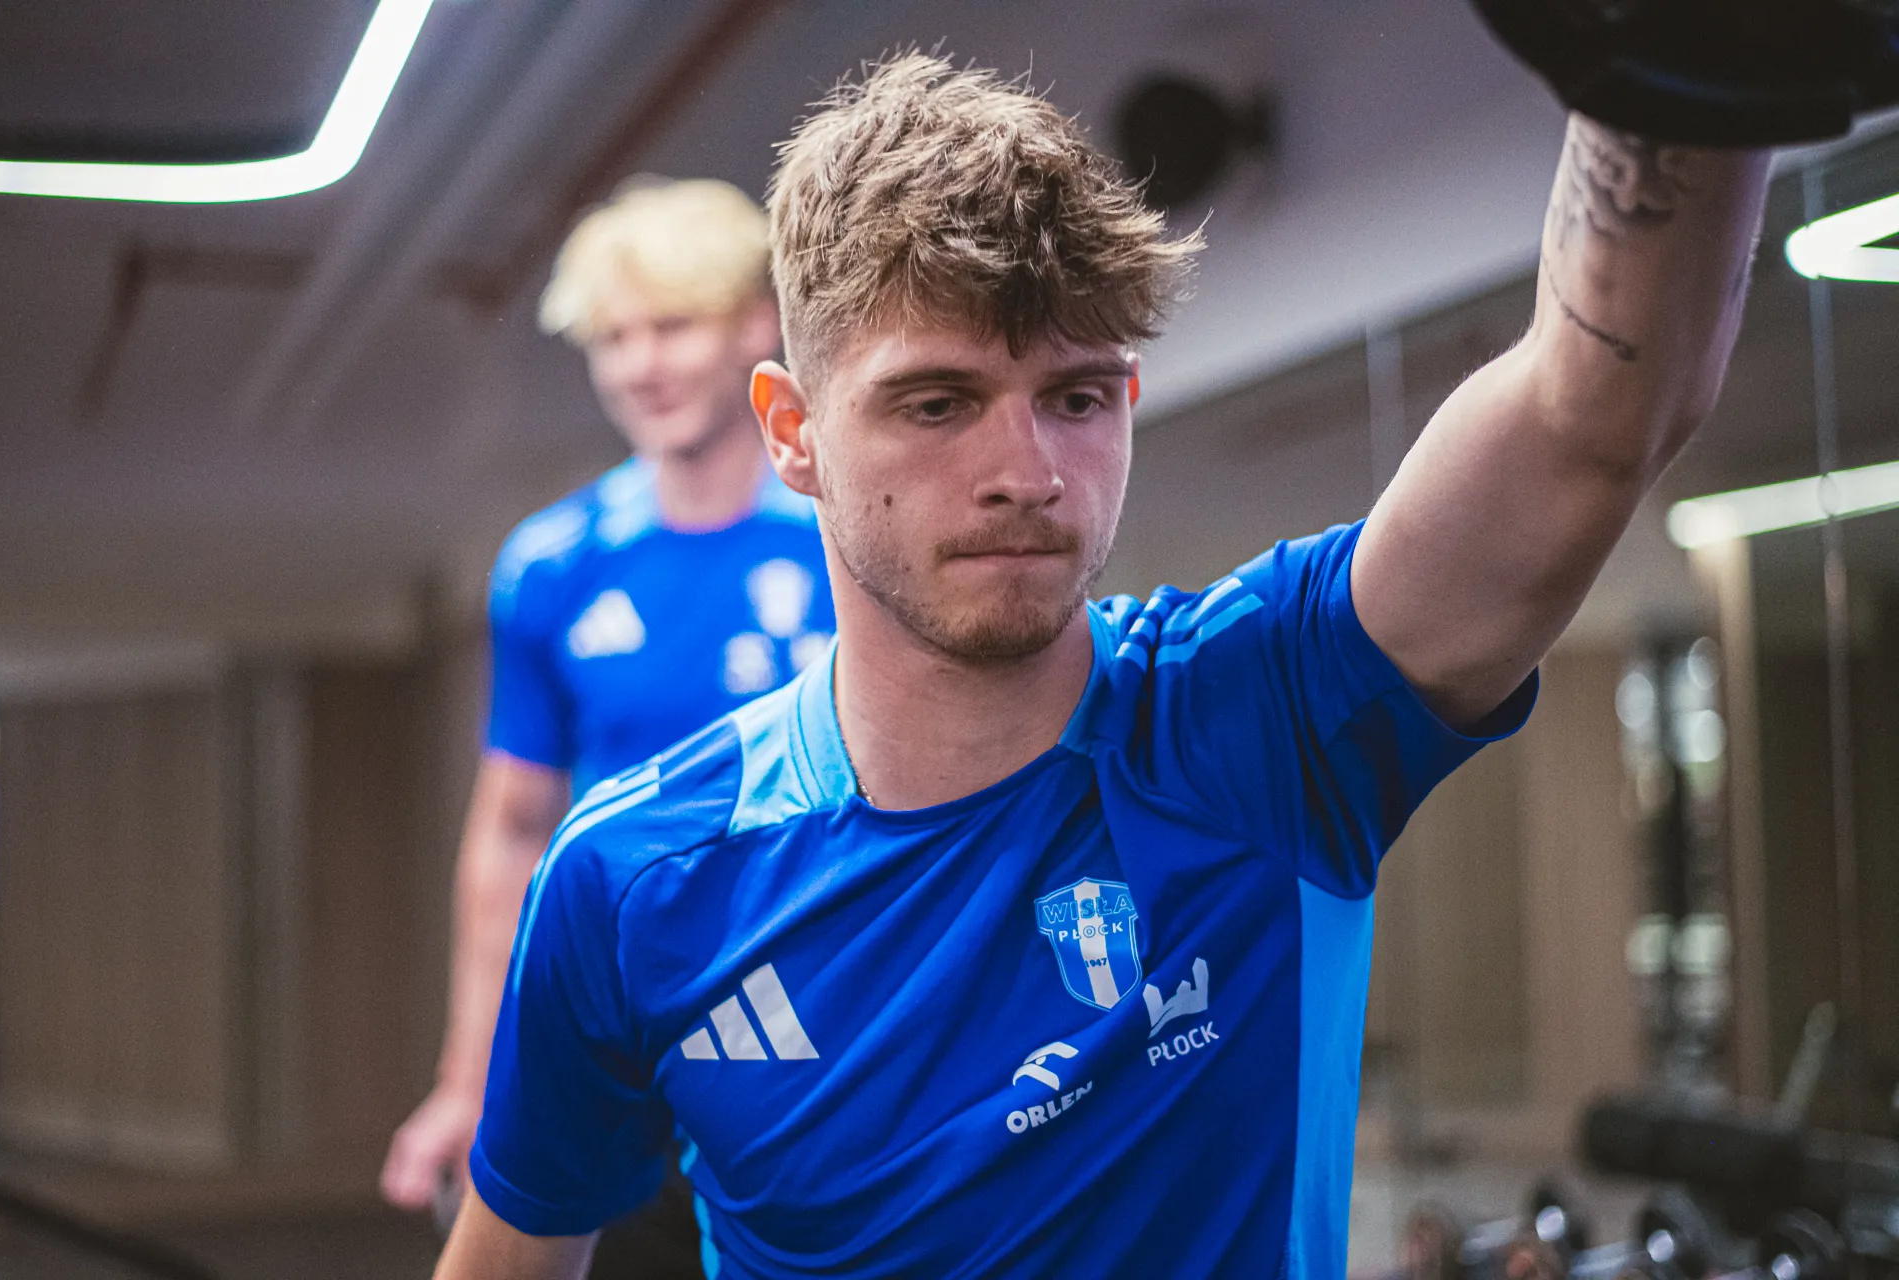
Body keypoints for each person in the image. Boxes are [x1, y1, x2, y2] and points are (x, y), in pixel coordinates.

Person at [434, 52, 1771, 1280]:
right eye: (938, 402)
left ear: (1126, 400)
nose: (1026, 474)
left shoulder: (1261, 714)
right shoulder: (631, 882)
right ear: (793, 432)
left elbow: (1593, 417)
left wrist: (1679, 61)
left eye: (1074, 398)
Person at [382, 179, 833, 1276]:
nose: (640, 366)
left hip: (830, 1027)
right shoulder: (552, 564)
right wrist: (467, 1080)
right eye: (613, 339)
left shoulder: (844, 534)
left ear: (755, 326)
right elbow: (511, 833)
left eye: (671, 327)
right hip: (627, 1031)